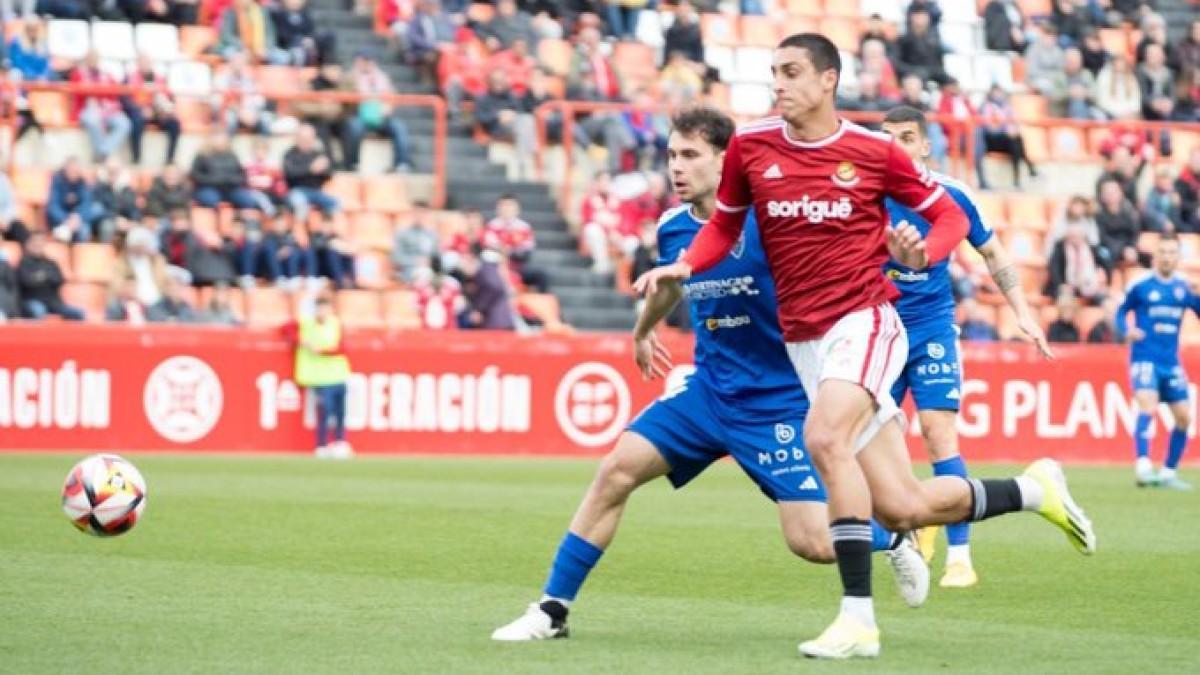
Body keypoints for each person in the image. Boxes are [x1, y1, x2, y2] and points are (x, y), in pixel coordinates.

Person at [634, 34, 1095, 659]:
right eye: (774, 72)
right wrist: (684, 266)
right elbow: (721, 226)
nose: (779, 83)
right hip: (806, 342)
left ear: (828, 79)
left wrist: (923, 254)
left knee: (822, 438)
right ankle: (1035, 490)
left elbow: (953, 219)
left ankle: (858, 621)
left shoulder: (873, 152)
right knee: (903, 506)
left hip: (866, 321)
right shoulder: (751, 146)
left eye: (792, 72)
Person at [492, 106, 928, 643]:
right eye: (672, 154)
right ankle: (551, 610)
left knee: (813, 542)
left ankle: (893, 541)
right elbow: (672, 287)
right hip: (710, 391)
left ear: (728, 160)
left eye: (690, 155)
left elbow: (845, 265)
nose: (676, 166)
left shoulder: (773, 221)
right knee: (615, 472)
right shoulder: (673, 227)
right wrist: (643, 329)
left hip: (779, 401)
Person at [880, 106, 1053, 588]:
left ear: (925, 145)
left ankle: (960, 555)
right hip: (876, 330)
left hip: (931, 328)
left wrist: (1022, 310)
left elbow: (993, 251)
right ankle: (913, 531)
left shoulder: (951, 195)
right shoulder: (866, 195)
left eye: (907, 137)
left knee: (938, 433)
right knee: (881, 442)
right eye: (887, 137)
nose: (896, 146)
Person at [1115, 235, 1197, 491]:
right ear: (1155, 255)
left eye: (1172, 252)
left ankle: (1168, 473)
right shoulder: (1141, 286)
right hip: (1145, 357)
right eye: (1163, 252)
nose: (1167, 257)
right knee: (1147, 406)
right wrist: (1125, 330)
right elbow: (1120, 311)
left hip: (1171, 362)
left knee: (1184, 417)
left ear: (1178, 257)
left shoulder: (1183, 289)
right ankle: (1142, 466)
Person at [285, 293, 353, 459]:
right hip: (320, 378)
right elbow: (287, 330)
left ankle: (340, 442)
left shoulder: (336, 324)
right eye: (320, 308)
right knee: (325, 411)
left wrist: (321, 351)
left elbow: (342, 348)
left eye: (325, 308)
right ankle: (321, 444)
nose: (322, 312)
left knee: (340, 412)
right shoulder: (306, 324)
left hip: (338, 374)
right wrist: (301, 341)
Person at [16, 231, 84, 320]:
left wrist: (40, 277)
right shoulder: (23, 263)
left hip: (53, 302)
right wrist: (45, 276)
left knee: (78, 313)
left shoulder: (51, 263)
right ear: (28, 244)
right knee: (38, 311)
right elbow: (27, 282)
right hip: (32, 301)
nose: (38, 244)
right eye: (35, 241)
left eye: (40, 241)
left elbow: (59, 280)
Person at [284, 124, 340, 224]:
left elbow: (329, 175)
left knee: (335, 203)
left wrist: (324, 169)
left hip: (316, 191)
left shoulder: (318, 154)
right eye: (303, 138)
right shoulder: (290, 154)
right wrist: (310, 169)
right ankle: (300, 234)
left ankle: (328, 232)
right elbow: (290, 173)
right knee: (300, 204)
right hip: (297, 191)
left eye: (309, 138)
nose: (306, 141)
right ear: (297, 138)